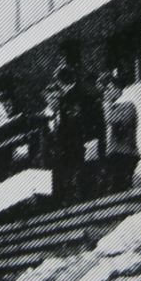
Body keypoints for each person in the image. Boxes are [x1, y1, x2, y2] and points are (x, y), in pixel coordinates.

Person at [48, 66, 104, 204]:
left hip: (77, 143)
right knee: (83, 174)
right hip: (85, 142)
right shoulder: (85, 94)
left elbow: (75, 122)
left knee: (79, 174)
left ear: (61, 82)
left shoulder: (74, 98)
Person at [97, 71, 140, 195]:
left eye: (110, 88)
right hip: (113, 153)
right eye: (105, 90)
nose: (107, 93)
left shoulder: (128, 105)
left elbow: (111, 119)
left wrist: (106, 103)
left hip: (125, 153)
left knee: (119, 189)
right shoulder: (111, 106)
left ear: (118, 88)